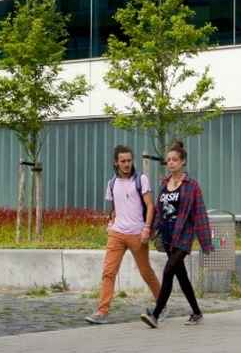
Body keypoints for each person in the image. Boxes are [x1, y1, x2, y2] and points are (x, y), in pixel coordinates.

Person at [140, 141, 212, 329]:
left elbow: (200, 214)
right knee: (181, 276)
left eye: (175, 160)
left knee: (168, 271)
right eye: (169, 160)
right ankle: (196, 312)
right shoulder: (164, 184)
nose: (171, 163)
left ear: (182, 162)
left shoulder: (191, 186)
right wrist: (151, 229)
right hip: (167, 236)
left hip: (183, 235)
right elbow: (158, 210)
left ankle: (155, 315)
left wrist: (206, 242)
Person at [86, 145, 161, 324]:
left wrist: (147, 228)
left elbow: (150, 205)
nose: (127, 164)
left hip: (138, 234)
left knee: (146, 272)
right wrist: (110, 223)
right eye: (123, 161)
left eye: (129, 160)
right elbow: (112, 209)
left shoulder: (141, 179)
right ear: (116, 162)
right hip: (117, 234)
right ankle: (102, 312)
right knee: (108, 272)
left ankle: (162, 303)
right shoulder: (111, 183)